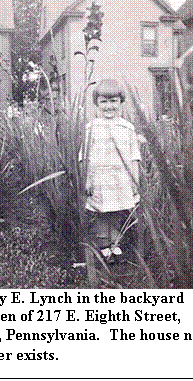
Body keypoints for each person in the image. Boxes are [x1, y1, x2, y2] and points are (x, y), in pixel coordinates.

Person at [82, 79, 141, 260]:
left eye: (113, 101)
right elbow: (84, 156)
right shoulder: (91, 128)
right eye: (104, 102)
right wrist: (88, 179)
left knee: (117, 210)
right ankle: (103, 245)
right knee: (102, 212)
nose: (109, 106)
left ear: (121, 102)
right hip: (99, 177)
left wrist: (135, 181)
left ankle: (115, 243)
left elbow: (134, 157)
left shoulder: (127, 128)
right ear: (97, 104)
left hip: (121, 177)